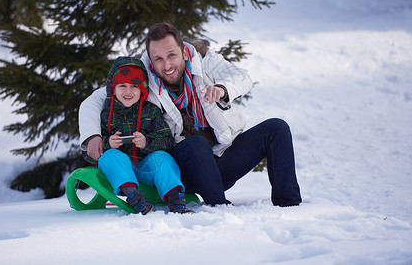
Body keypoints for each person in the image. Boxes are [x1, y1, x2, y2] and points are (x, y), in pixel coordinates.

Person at [79, 23, 302, 207]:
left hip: (222, 159)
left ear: (184, 52)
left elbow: (242, 77)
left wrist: (223, 89)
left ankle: (288, 204)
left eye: (171, 55)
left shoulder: (207, 64)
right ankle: (219, 206)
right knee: (195, 143)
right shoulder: (144, 78)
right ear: (150, 59)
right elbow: (96, 100)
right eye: (158, 59)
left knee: (276, 128)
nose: (166, 65)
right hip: (184, 167)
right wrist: (92, 135)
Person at [85, 56, 194, 214]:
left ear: (142, 89)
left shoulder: (151, 111)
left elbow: (168, 141)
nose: (128, 91)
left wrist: (147, 142)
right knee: (111, 156)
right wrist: (108, 143)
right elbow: (89, 154)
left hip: (145, 166)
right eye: (122, 86)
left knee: (163, 158)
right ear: (113, 89)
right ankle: (136, 199)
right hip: (121, 171)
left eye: (134, 86)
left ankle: (175, 200)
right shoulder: (105, 115)